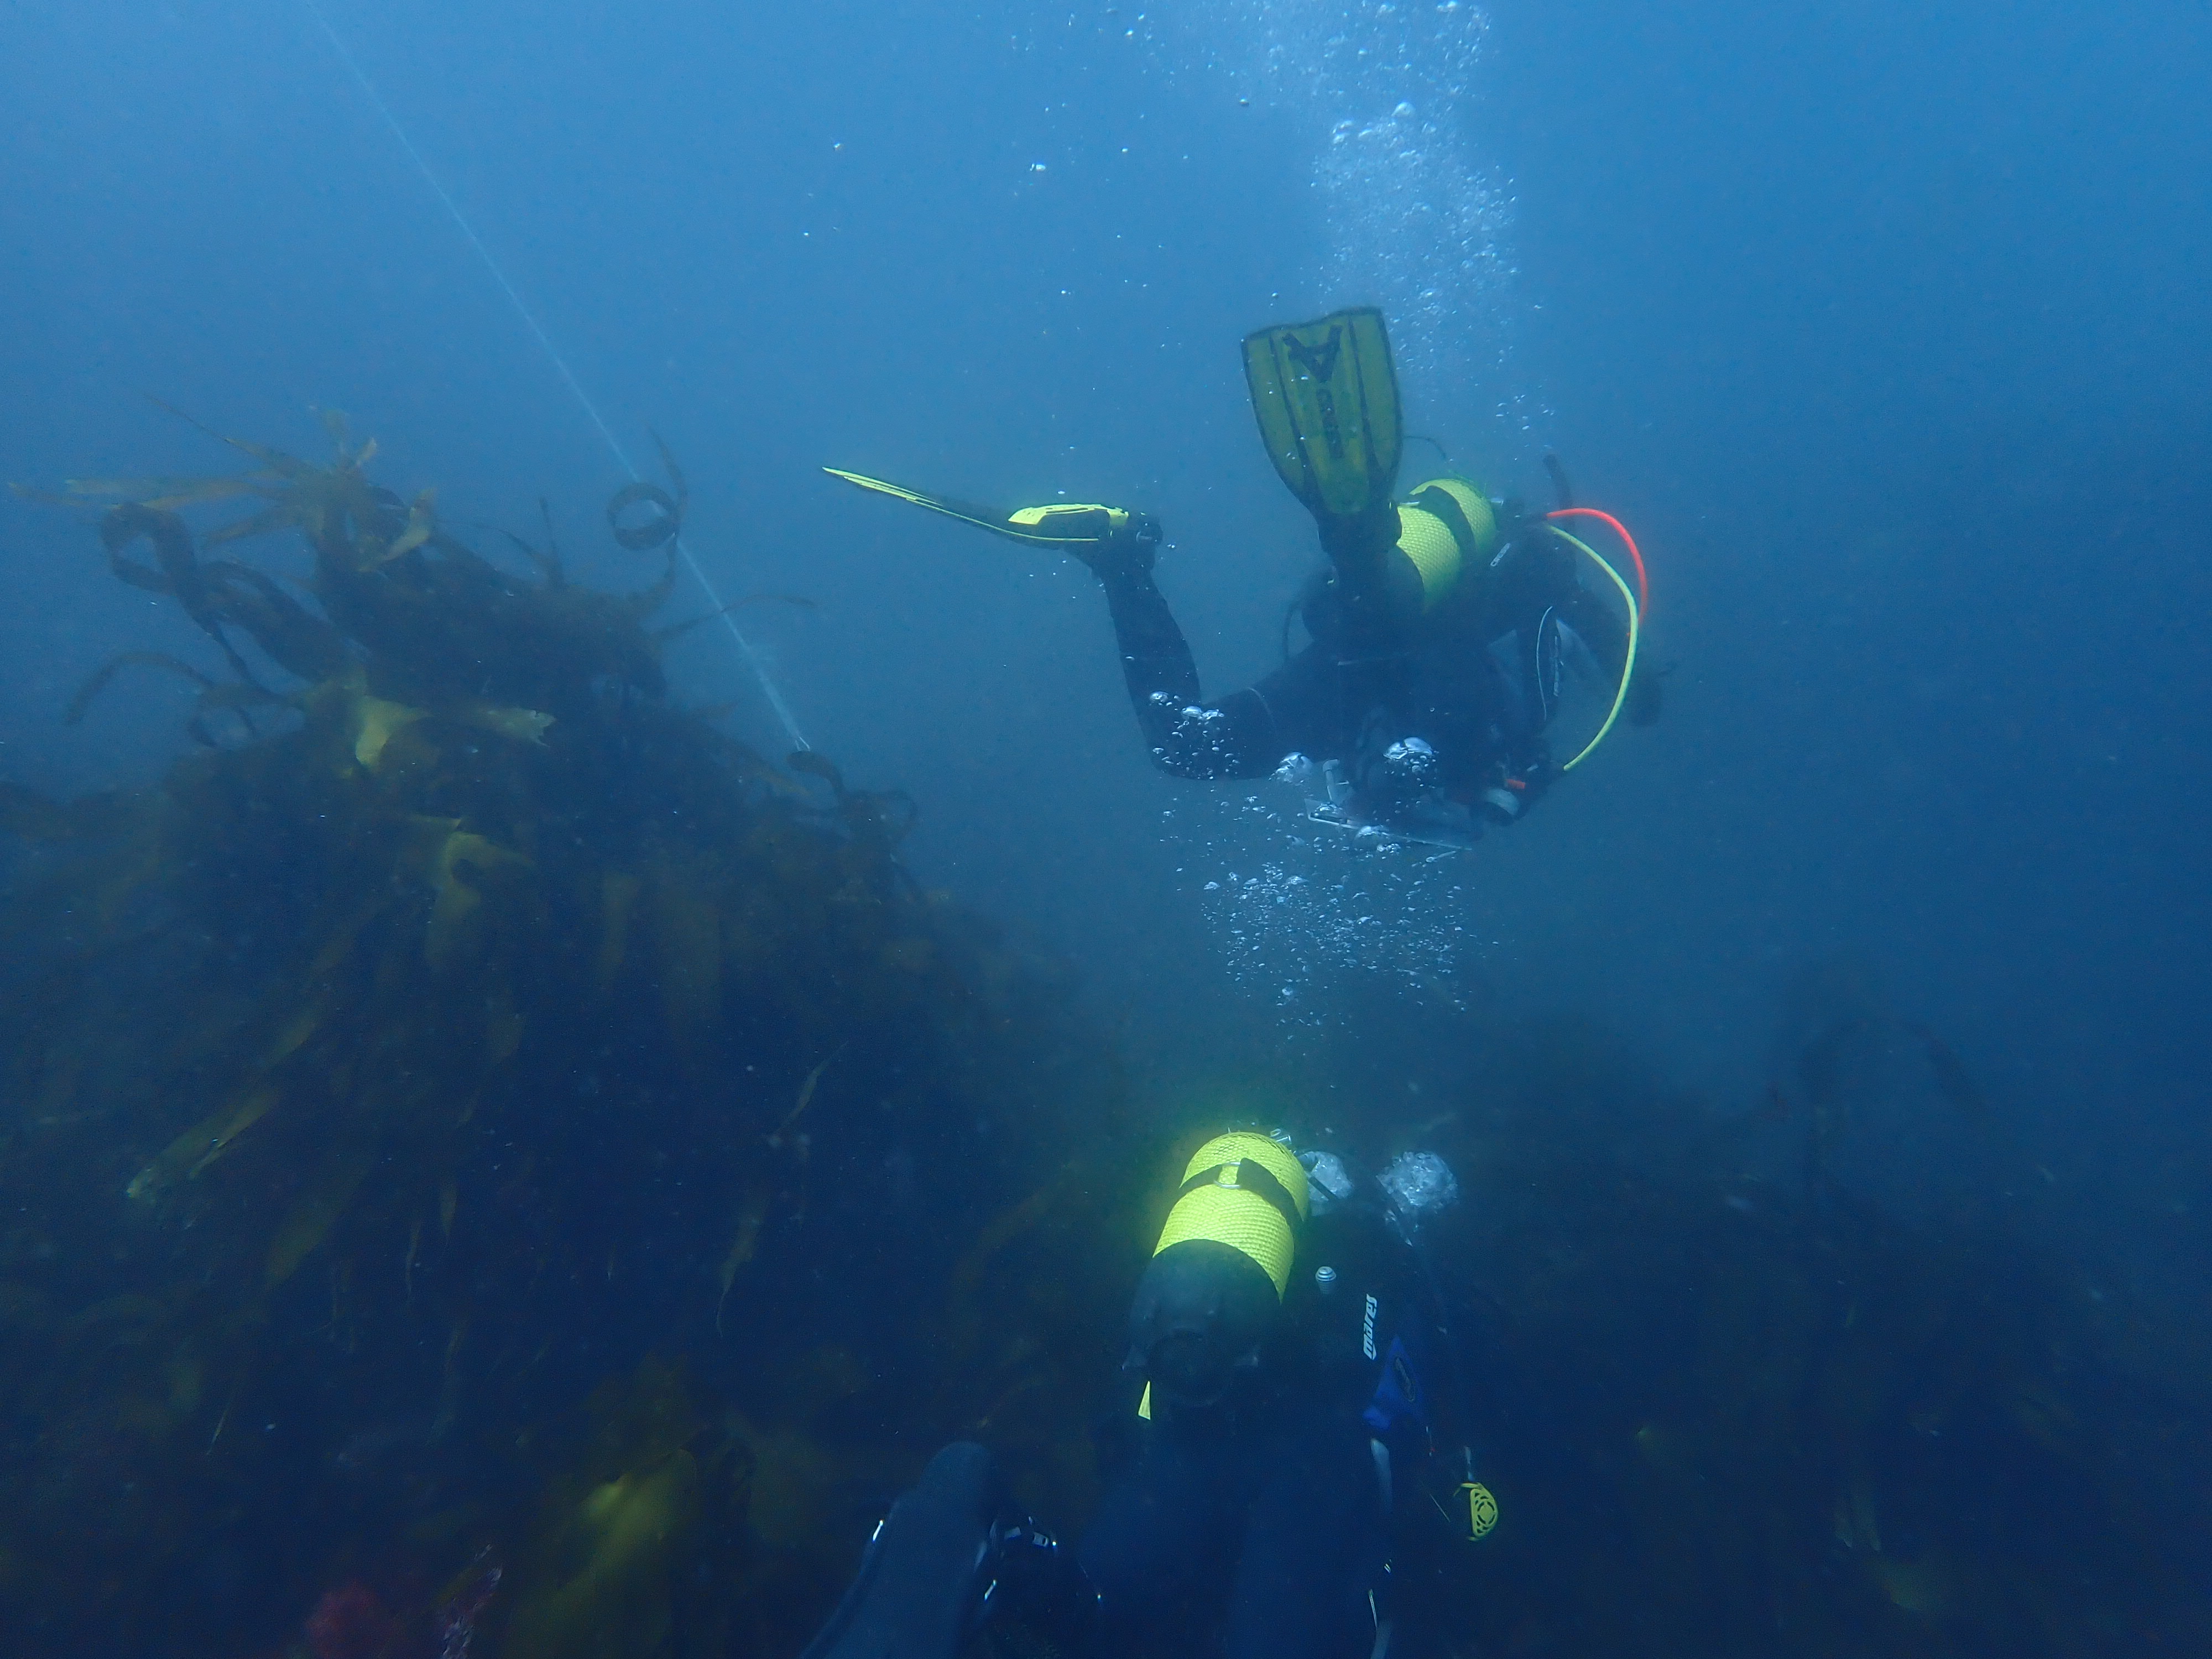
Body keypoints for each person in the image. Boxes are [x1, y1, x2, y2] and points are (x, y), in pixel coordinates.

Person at [827, 307, 1659, 849]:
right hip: (1417, 689)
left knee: (1187, 745)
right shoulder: (1547, 567)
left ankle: (1127, 562)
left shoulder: (1513, 568)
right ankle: (1333, 543)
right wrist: (1589, 729)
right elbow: (1613, 684)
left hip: (1350, 669)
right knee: (1400, 759)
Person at [796, 1131, 1494, 1659]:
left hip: (1182, 1449)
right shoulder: (1399, 1263)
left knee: (1090, 1607)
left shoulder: (1285, 1252)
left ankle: (973, 1528)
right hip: (1313, 1470)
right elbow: (1427, 1429)